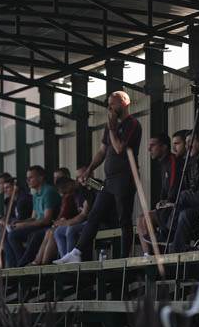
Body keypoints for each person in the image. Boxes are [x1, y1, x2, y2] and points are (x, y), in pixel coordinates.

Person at [56, 90, 142, 264]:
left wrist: (112, 128)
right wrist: (89, 170)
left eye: (113, 104)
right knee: (94, 214)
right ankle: (77, 252)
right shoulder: (110, 126)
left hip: (125, 178)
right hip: (109, 180)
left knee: (124, 218)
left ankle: (124, 259)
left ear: (124, 102)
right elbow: (103, 151)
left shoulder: (132, 124)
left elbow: (119, 148)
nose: (110, 108)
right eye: (108, 105)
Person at [167, 129, 199, 254]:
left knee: (183, 196)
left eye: (191, 142)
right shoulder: (193, 160)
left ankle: (167, 232)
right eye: (186, 143)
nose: (187, 146)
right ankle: (178, 249)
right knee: (184, 215)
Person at [136, 131, 187, 255]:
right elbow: (164, 191)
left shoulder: (173, 160)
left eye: (153, 145)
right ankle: (149, 256)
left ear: (164, 147)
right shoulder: (163, 164)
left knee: (145, 219)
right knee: (140, 219)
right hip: (167, 207)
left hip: (175, 207)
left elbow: (174, 187)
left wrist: (165, 203)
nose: (149, 149)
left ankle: (155, 255)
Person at [4, 165, 60, 268]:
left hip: (49, 226)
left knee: (20, 235)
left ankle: (22, 265)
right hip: (39, 225)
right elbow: (33, 217)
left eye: (31, 177)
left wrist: (24, 225)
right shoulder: (35, 194)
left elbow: (47, 220)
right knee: (10, 234)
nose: (28, 181)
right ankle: (16, 265)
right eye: (27, 178)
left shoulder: (48, 191)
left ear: (41, 178)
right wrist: (19, 223)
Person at [35, 176, 90, 266]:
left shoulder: (85, 190)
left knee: (71, 229)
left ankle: (71, 261)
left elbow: (84, 215)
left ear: (69, 184)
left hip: (92, 222)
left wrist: (67, 223)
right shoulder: (74, 193)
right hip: (82, 222)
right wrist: (62, 222)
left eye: (65, 192)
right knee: (58, 232)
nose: (65, 196)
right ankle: (64, 259)